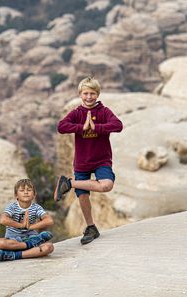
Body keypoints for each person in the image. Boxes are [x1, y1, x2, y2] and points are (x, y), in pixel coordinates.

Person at [54, 76, 123, 245]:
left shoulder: (104, 111)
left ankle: (69, 183)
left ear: (98, 94)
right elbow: (61, 127)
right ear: (80, 94)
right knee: (83, 197)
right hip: (82, 162)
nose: (89, 97)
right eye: (85, 93)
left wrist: (97, 128)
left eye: (92, 93)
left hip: (101, 160)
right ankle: (91, 227)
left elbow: (118, 125)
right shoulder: (77, 113)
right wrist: (80, 128)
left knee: (106, 185)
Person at [0, 178, 54, 261]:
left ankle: (13, 255)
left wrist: (31, 227)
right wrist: (21, 225)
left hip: (31, 237)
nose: (26, 192)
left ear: (34, 194)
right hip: (13, 241)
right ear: (16, 195)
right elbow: (3, 220)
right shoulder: (12, 207)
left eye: (29, 190)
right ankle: (30, 244)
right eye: (22, 190)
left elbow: (49, 220)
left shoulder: (36, 207)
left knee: (49, 247)